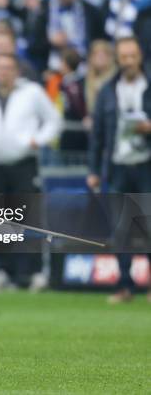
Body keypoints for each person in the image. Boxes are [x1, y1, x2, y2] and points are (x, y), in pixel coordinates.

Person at [0, 53, 62, 289]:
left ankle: (34, 272)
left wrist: (38, 140)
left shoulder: (32, 93)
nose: (3, 72)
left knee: (29, 217)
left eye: (8, 68)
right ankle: (3, 270)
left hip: (24, 164)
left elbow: (54, 120)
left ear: (17, 70)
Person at [87, 37, 151, 303]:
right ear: (118, 60)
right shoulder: (107, 91)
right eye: (123, 57)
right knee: (120, 230)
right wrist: (93, 169)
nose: (128, 62)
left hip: (146, 165)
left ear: (140, 58)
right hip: (117, 168)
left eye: (132, 56)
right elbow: (98, 135)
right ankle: (125, 286)